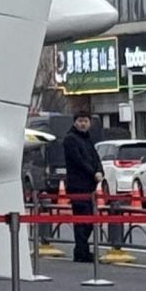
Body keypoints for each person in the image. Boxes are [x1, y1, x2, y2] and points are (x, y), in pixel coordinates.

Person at [61, 113, 104, 264]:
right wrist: (93, 173)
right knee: (82, 220)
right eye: (80, 121)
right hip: (77, 186)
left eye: (86, 121)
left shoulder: (87, 139)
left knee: (89, 220)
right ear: (75, 122)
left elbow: (96, 158)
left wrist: (100, 171)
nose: (83, 124)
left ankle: (82, 250)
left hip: (89, 186)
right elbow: (78, 161)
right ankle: (80, 252)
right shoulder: (70, 139)